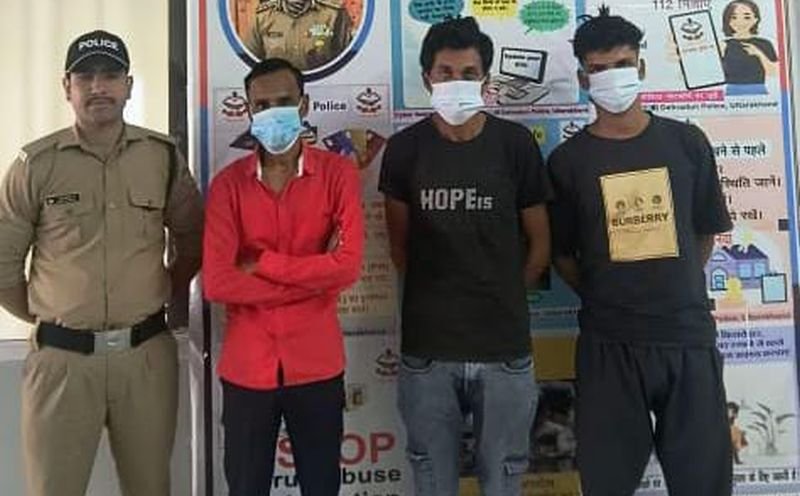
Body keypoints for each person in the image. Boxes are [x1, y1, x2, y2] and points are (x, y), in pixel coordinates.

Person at [0, 30, 204, 496]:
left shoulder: (162, 158)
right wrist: (53, 317)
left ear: (128, 86)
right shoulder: (35, 165)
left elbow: (192, 241)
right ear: (66, 87)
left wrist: (159, 295)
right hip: (62, 364)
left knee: (150, 487)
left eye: (110, 76)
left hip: (145, 359)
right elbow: (3, 265)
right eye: (85, 77)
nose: (98, 87)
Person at [548, 7, 733, 495]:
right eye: (600, 69)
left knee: (704, 482)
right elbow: (562, 255)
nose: (612, 77)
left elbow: (705, 231)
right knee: (607, 483)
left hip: (686, 335)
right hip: (609, 343)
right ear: (584, 79)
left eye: (623, 64)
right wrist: (610, 294)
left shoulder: (686, 142)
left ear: (642, 68)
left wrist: (674, 286)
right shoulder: (567, 162)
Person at [379, 17, 551, 496]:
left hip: (505, 350)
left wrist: (501, 295)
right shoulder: (404, 150)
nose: (457, 82)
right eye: (446, 72)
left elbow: (539, 243)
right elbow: (399, 247)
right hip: (427, 353)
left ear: (486, 80)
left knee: (504, 477)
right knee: (432, 479)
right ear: (427, 78)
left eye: (469, 73)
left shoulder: (515, 145)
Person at [203, 57, 364, 496]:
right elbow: (218, 282)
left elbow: (347, 267)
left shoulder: (337, 175)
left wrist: (264, 263)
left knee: (321, 486)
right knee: (246, 487)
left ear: (304, 105)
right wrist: (314, 279)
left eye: (284, 102)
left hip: (317, 366)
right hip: (247, 370)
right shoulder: (227, 186)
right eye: (262, 105)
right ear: (248, 110)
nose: (273, 112)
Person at [242, 0, 353, 71]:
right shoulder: (262, 17)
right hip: (277, 92)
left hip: (323, 93)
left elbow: (347, 64)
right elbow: (248, 63)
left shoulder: (334, 15)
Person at [721, 0, 778, 96]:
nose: (740, 22)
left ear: (755, 19)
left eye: (747, 17)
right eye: (734, 17)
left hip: (759, 91)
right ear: (728, 20)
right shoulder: (723, 45)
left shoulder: (764, 43)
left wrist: (759, 54)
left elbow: (774, 72)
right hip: (732, 92)